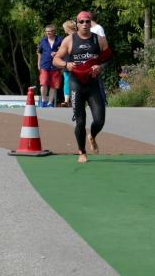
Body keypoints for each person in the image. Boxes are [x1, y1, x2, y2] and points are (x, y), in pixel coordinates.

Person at [53, 11, 113, 163]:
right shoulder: (69, 40)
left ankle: (92, 136)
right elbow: (56, 60)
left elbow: (109, 58)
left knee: (99, 120)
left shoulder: (99, 39)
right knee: (80, 122)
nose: (85, 24)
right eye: (81, 22)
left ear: (90, 23)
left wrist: (100, 67)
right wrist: (66, 64)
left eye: (87, 21)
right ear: (77, 23)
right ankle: (82, 152)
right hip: (76, 84)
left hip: (93, 84)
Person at [37, 24, 63, 107]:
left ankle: (50, 102)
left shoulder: (60, 40)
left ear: (54, 32)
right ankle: (43, 101)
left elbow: (64, 51)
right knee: (43, 83)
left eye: (50, 31)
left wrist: (57, 53)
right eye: (47, 31)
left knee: (53, 85)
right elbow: (39, 53)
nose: (48, 33)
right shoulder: (43, 40)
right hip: (44, 65)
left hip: (56, 66)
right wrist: (38, 64)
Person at [60, 19, 77, 107]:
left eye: (64, 28)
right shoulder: (66, 38)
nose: (64, 30)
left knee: (76, 82)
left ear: (68, 28)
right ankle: (66, 100)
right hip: (66, 62)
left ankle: (76, 100)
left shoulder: (78, 37)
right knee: (67, 81)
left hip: (76, 62)